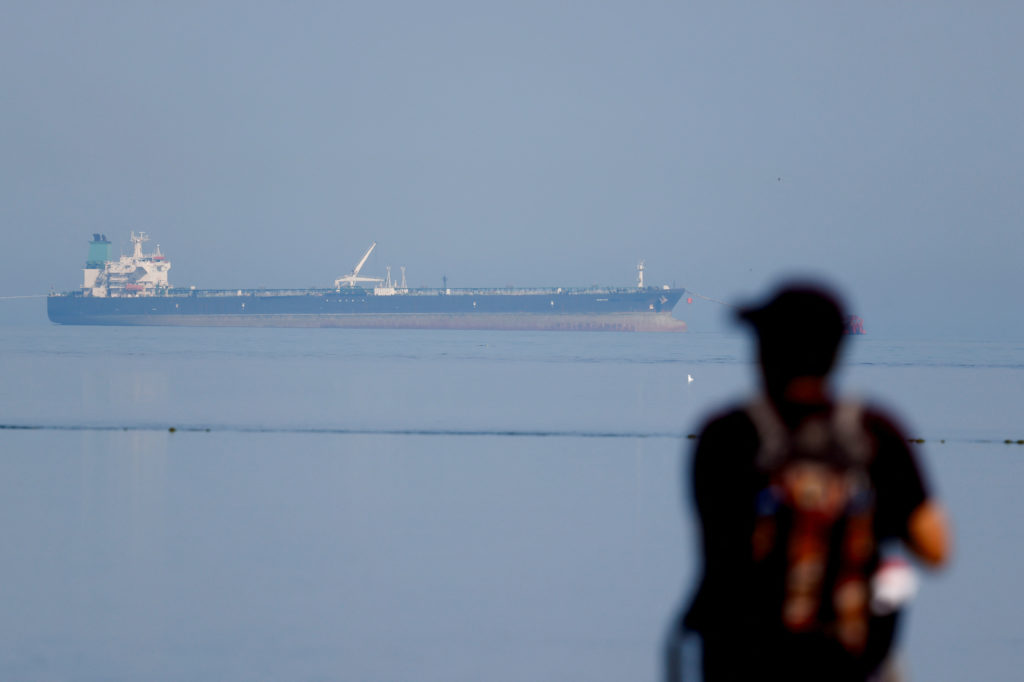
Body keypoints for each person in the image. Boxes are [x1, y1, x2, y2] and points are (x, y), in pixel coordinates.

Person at [669, 283, 950, 682]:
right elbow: (937, 550)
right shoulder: (875, 434)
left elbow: (718, 551)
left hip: (746, 660)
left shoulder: (726, 436)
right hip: (848, 660)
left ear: (764, 354)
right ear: (837, 354)